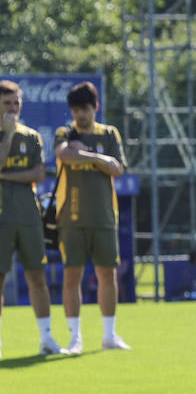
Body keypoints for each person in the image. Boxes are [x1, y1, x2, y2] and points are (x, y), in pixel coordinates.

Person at [55, 81, 129, 353]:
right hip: (71, 216)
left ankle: (109, 335)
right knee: (71, 276)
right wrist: (99, 159)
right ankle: (75, 338)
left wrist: (87, 155)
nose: (80, 115)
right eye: (75, 110)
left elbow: (118, 168)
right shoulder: (65, 132)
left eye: (84, 109)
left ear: (95, 107)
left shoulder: (109, 133)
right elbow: (64, 156)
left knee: (107, 274)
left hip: (104, 216)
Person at [0, 80, 66, 357]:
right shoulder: (10, 134)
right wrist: (7, 135)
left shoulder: (33, 136)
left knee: (36, 275)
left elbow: (39, 174)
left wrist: (4, 176)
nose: (13, 108)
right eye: (7, 103)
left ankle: (46, 338)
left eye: (16, 103)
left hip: (28, 214)